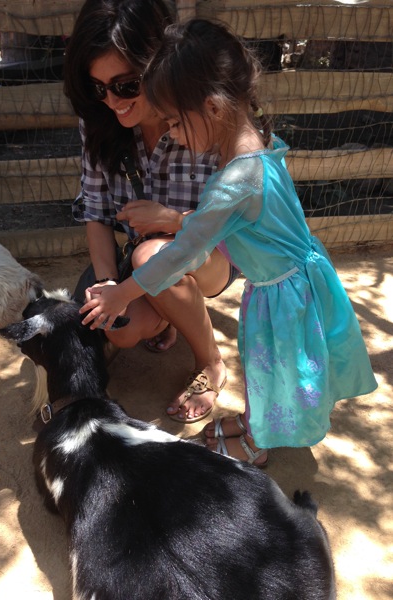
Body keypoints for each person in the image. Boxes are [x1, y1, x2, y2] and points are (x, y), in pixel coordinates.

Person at [79, 18, 378, 465]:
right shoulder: (260, 144)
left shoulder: (233, 183)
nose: (173, 133)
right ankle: (257, 421)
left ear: (214, 109)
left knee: (274, 367)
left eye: (176, 122)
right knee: (262, 365)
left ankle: (258, 444)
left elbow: (182, 253)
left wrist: (123, 293)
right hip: (289, 281)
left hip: (282, 292)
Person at [64, 0, 240, 423]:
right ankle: (168, 313)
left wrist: (173, 221)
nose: (112, 101)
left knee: (150, 256)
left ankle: (211, 362)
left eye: (126, 85)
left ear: (157, 64)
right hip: (152, 257)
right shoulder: (99, 123)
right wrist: (107, 283)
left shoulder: (204, 114)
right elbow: (96, 212)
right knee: (117, 328)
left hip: (215, 256)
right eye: (97, 88)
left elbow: (240, 220)